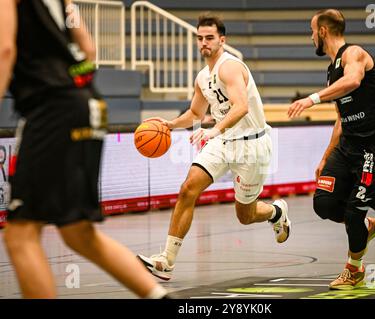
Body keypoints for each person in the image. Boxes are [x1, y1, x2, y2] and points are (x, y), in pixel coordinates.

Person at [0, 0, 168, 298]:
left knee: (20, 233)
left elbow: (5, 50)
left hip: (52, 109)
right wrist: (72, 79)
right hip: (87, 102)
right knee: (79, 232)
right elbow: (88, 50)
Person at [137, 14, 291, 281]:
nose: (204, 43)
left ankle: (276, 212)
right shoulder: (202, 77)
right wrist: (171, 124)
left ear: (222, 40)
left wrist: (215, 129)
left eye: (209, 38)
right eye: (200, 38)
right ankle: (167, 260)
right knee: (188, 189)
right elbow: (196, 113)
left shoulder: (230, 67)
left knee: (246, 215)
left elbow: (241, 107)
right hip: (222, 142)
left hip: (250, 145)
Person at [288, 9, 375, 290]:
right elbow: (341, 119)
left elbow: (353, 81)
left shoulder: (355, 54)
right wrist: (326, 156)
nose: (311, 36)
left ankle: (354, 269)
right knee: (323, 203)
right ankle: (366, 227)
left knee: (352, 213)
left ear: (322, 32)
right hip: (348, 145)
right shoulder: (331, 70)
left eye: (312, 31)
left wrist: (312, 99)